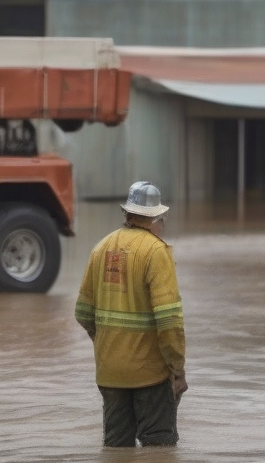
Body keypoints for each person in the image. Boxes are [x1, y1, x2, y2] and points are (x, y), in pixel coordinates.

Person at [75, 181, 187, 447]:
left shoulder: (101, 248)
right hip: (150, 375)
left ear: (127, 213)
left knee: (116, 452)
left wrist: (105, 344)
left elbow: (82, 312)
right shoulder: (156, 251)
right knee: (159, 452)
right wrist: (178, 369)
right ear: (157, 218)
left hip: (110, 373)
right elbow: (169, 321)